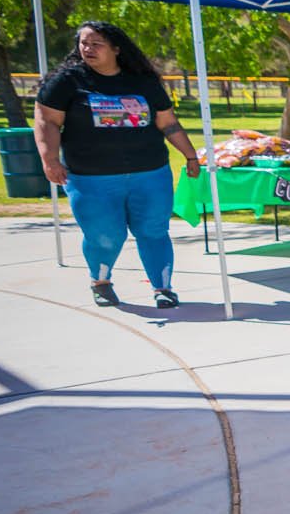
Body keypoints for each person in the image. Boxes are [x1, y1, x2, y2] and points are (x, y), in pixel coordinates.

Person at [33, 20, 202, 309]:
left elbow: (168, 123)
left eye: (96, 43)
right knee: (106, 235)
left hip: (149, 173)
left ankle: (163, 288)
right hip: (91, 178)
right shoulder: (67, 82)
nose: (88, 48)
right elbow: (47, 121)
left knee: (153, 230)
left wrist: (190, 156)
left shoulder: (143, 82)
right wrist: (49, 160)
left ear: (116, 49)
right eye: (84, 43)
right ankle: (101, 282)